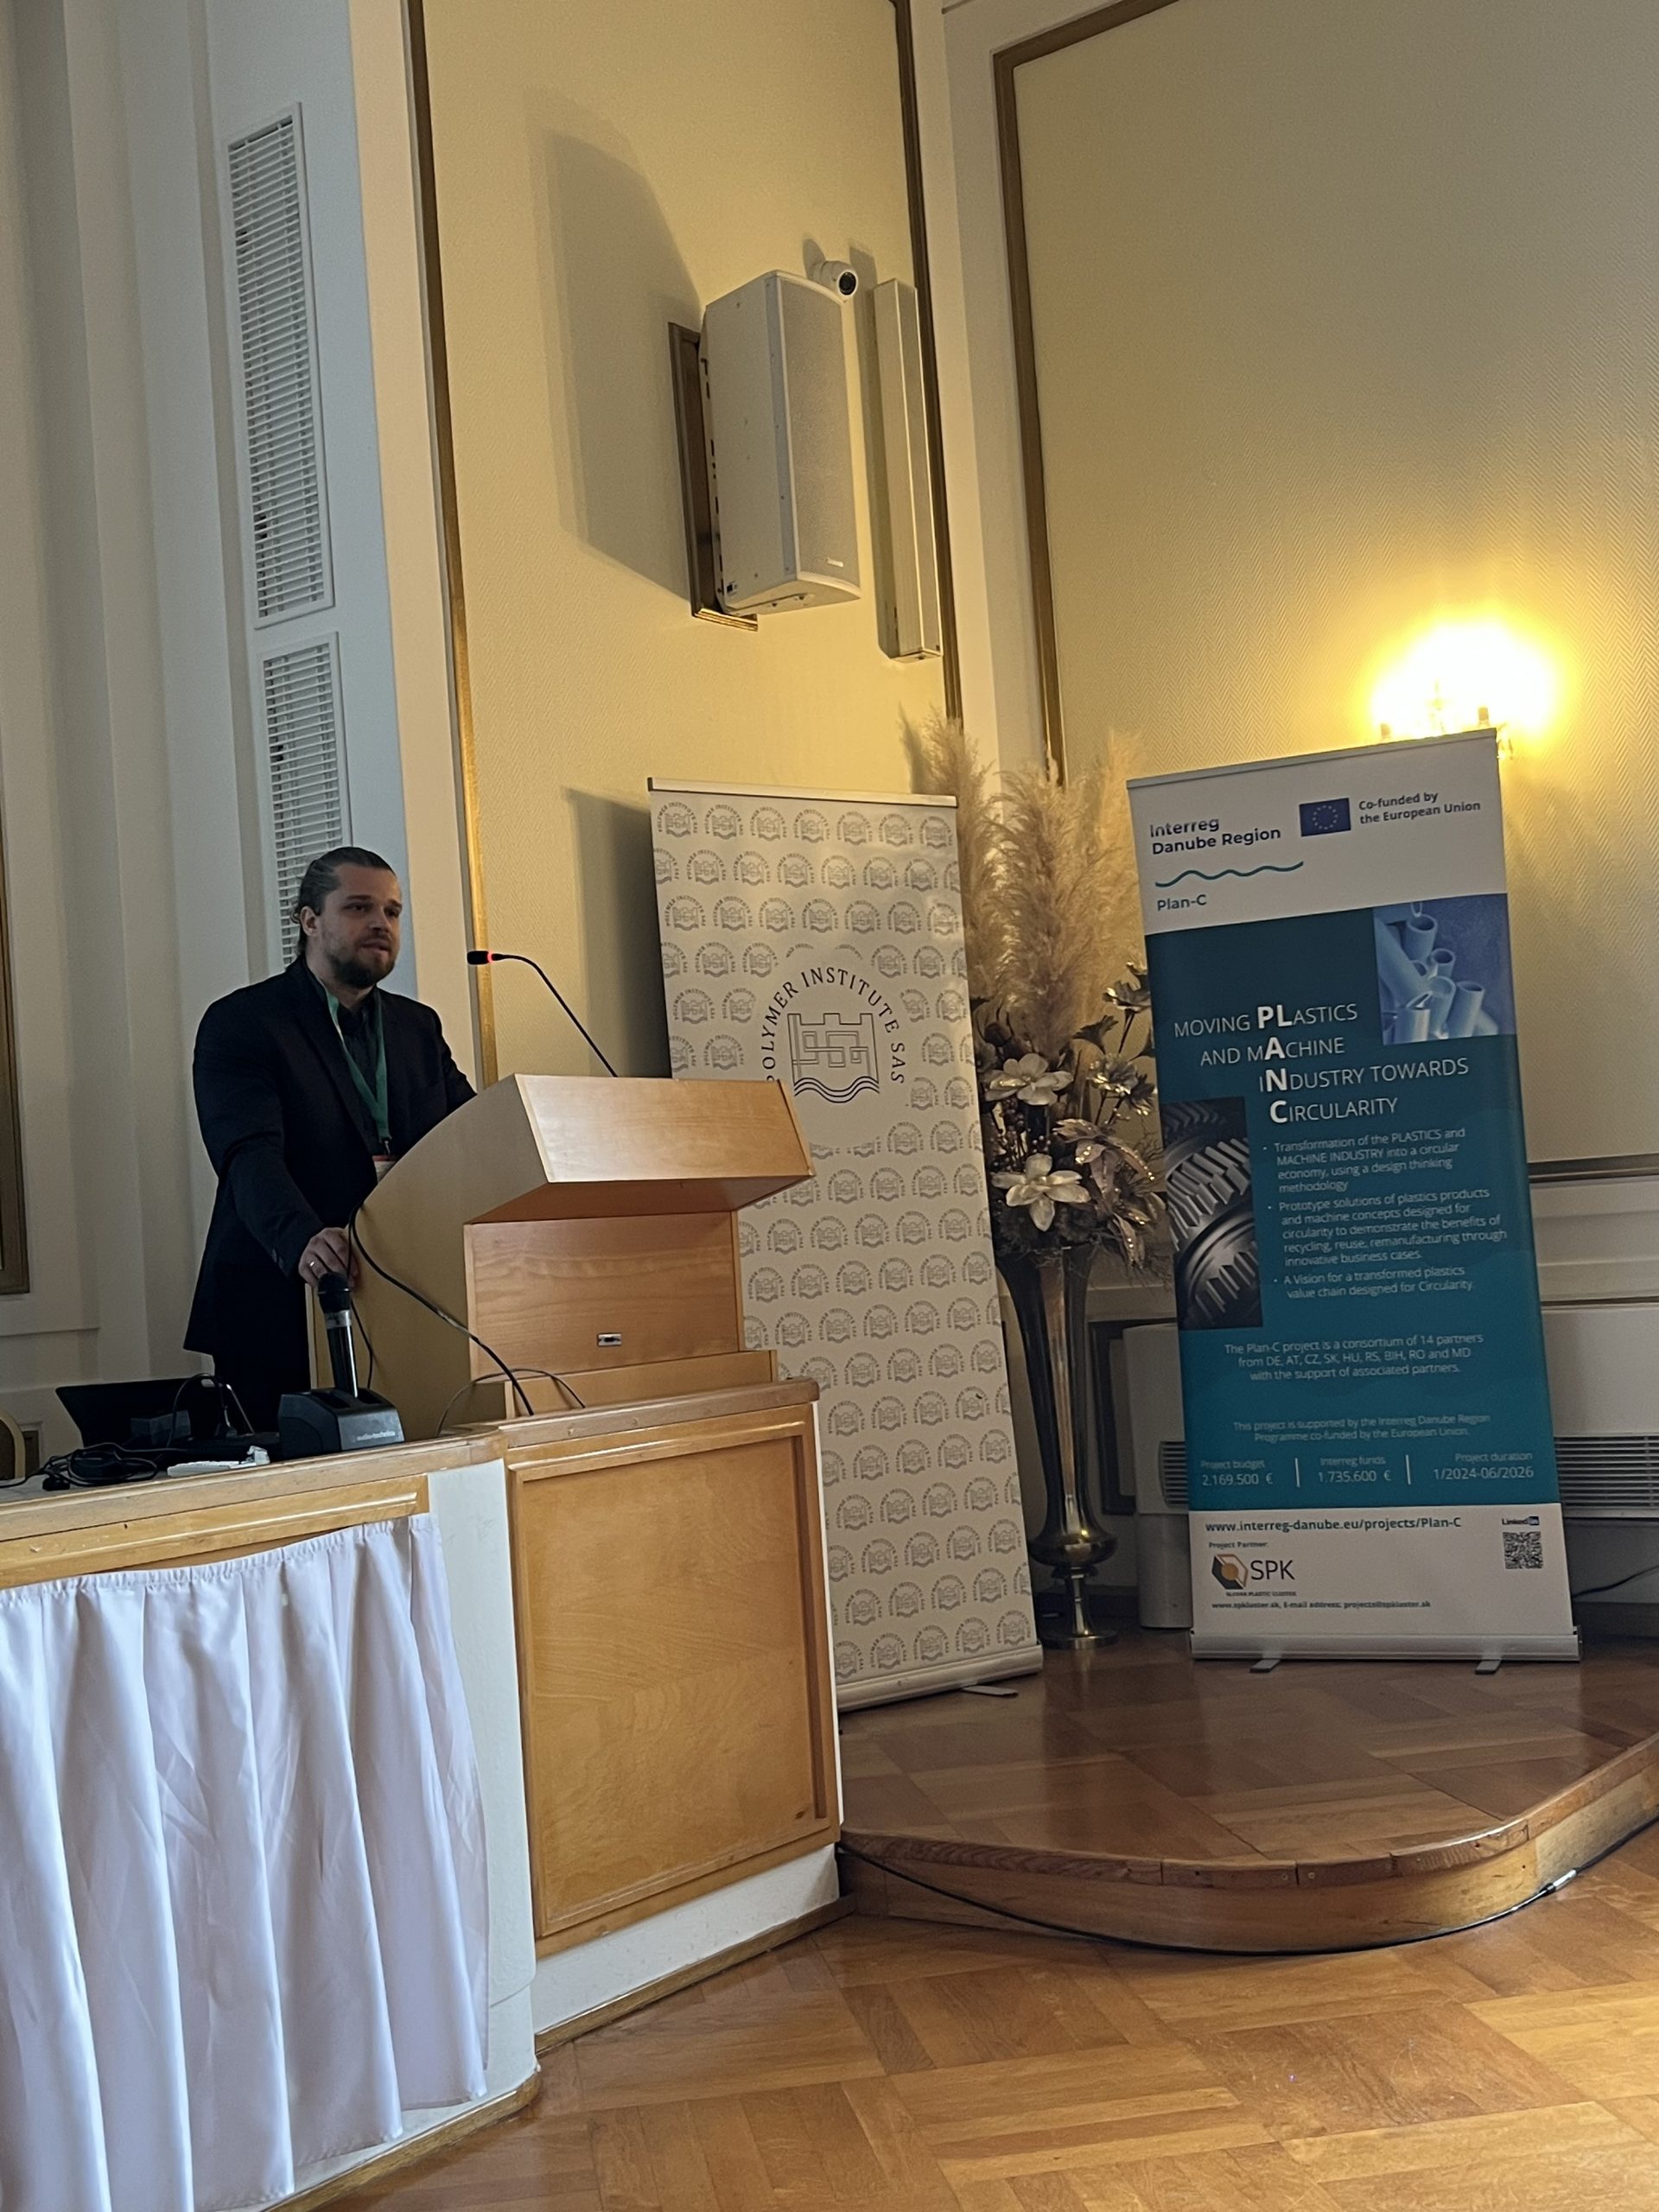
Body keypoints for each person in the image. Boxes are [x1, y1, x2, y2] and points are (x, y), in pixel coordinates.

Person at [186, 846, 474, 1428]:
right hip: (280, 1300)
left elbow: (469, 1134)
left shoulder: (417, 1027)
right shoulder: (244, 1021)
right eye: (359, 907)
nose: (381, 924)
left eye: (392, 911)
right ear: (309, 920)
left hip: (409, 1294)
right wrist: (302, 1239)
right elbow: (247, 1154)